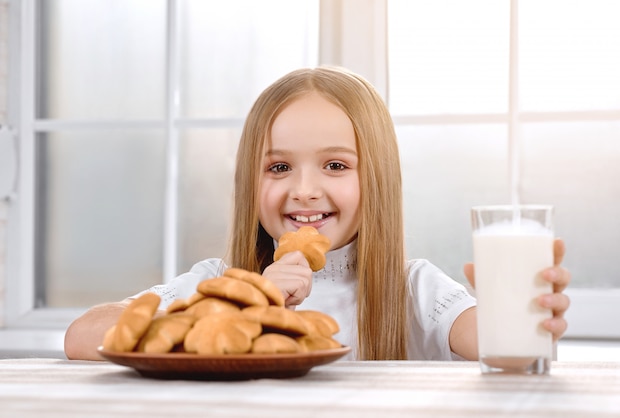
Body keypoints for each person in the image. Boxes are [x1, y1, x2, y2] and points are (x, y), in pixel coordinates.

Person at [64, 66, 571, 361]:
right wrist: (244, 305)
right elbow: (81, 334)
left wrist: (520, 313)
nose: (304, 191)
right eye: (279, 166)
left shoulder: (412, 289)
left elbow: (495, 345)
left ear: (376, 180)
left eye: (335, 165)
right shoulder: (221, 284)